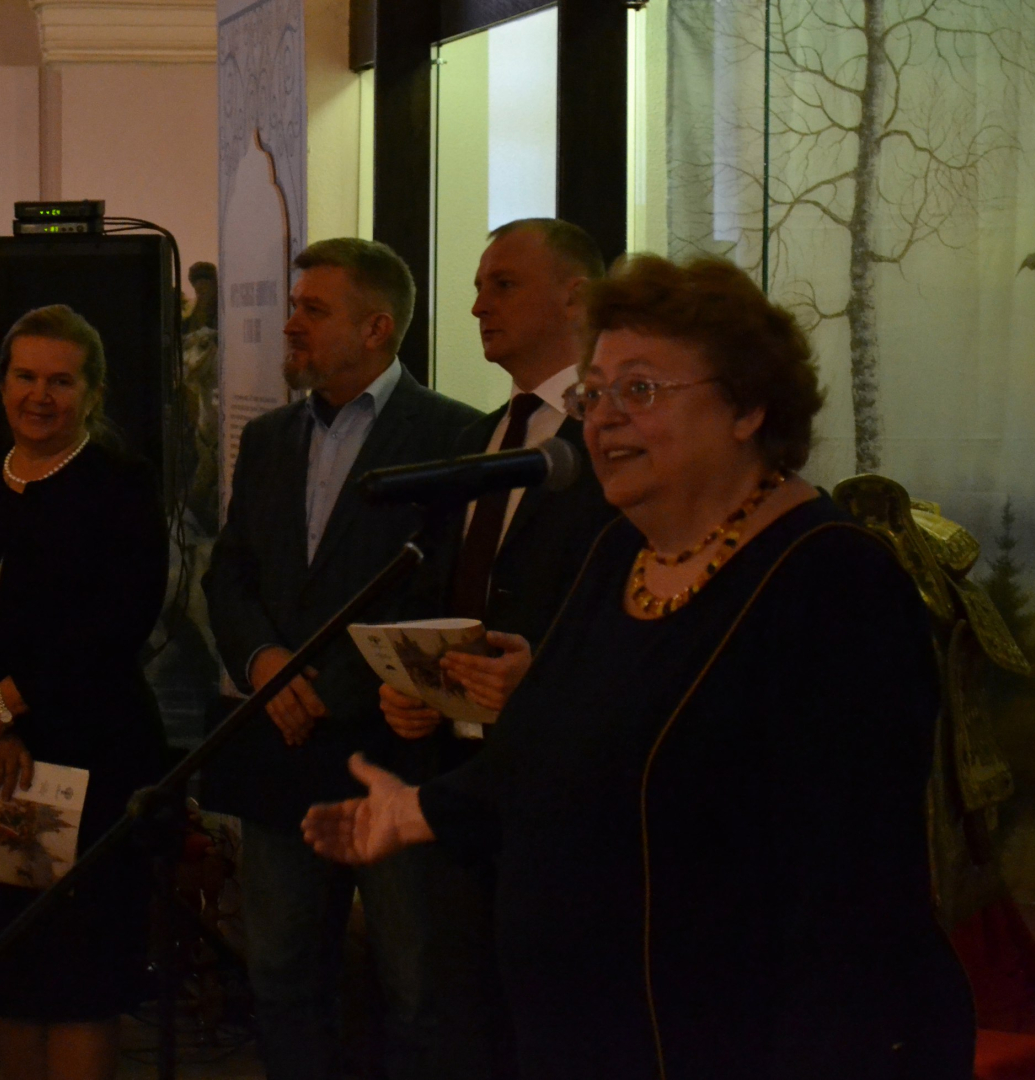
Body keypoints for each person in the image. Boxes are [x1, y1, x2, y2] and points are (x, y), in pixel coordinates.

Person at [304, 254, 977, 1079]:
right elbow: (549, 754)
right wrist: (420, 809)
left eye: (642, 389)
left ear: (748, 406)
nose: (605, 419)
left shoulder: (830, 581)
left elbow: (850, 897)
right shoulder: (619, 555)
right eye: (594, 394)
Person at [202, 237, 482, 1080]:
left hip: (392, 754)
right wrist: (264, 665)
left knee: (417, 986)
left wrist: (328, 687)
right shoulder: (270, 437)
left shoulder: (455, 435)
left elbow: (443, 590)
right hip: (279, 747)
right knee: (280, 975)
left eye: (313, 310)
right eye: (294, 306)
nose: (291, 324)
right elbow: (230, 575)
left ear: (376, 327)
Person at [379, 218, 616, 1080]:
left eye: (503, 285)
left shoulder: (614, 438)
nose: (478, 305)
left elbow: (619, 610)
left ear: (576, 298)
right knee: (463, 1018)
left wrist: (541, 681)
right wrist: (413, 682)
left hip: (567, 790)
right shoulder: (479, 437)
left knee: (552, 1029)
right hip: (460, 778)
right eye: (478, 287)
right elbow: (447, 591)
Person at [0, 304, 167, 1080]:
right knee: (10, 980)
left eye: (61, 381)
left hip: (92, 764)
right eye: (25, 377)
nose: (40, 395)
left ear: (93, 393)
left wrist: (9, 701)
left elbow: (117, 622)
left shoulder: (123, 489)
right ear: (0, 385)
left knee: (78, 985)